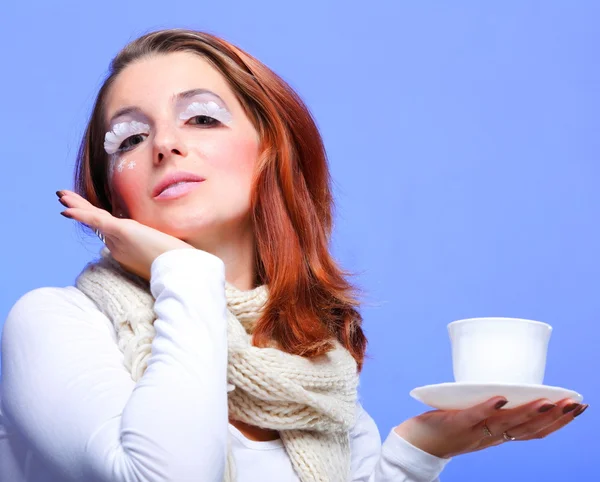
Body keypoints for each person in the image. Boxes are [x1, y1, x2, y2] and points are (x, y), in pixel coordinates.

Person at [0, 28, 587, 482]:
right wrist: (182, 271)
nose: (165, 144)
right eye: (129, 138)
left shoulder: (313, 371)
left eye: (202, 118)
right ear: (109, 191)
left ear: (271, 151)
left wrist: (419, 447)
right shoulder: (54, 324)